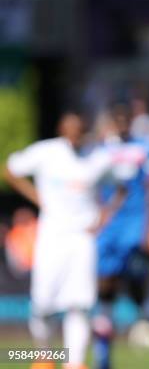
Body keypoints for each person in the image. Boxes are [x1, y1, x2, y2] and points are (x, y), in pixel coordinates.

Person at [3, 113, 118, 369]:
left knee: (79, 304)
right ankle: (44, 356)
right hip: (52, 236)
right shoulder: (46, 152)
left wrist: (103, 217)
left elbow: (122, 185)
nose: (75, 136)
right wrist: (36, 197)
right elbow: (10, 170)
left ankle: (74, 362)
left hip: (82, 239)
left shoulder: (98, 157)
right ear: (62, 131)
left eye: (80, 131)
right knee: (42, 303)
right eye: (71, 131)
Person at [93, 104, 149, 369]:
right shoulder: (101, 151)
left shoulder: (144, 149)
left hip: (133, 230)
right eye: (116, 119)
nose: (120, 124)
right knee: (104, 290)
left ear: (130, 122)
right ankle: (103, 357)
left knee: (139, 295)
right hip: (108, 234)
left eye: (124, 119)